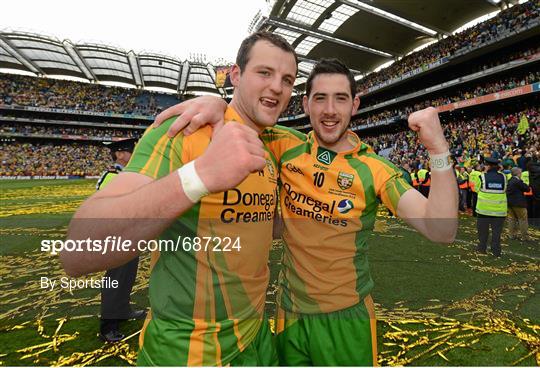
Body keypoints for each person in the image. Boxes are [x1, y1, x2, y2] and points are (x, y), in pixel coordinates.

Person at [155, 58, 458, 366]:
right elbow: (241, 118)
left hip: (345, 319)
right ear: (306, 105)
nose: (329, 110)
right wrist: (217, 103)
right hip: (289, 312)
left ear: (354, 105)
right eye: (320, 99)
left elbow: (441, 230)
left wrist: (437, 149)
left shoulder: (375, 170)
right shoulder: (284, 145)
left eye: (340, 99)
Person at [61, 31, 298, 366]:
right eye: (264, 73)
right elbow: (79, 251)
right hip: (186, 351)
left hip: (258, 340)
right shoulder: (182, 131)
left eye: (287, 79)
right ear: (235, 75)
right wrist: (200, 175)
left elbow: (258, 224)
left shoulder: (276, 144)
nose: (277, 86)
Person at [97, 138, 147, 342]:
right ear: (119, 154)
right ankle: (108, 326)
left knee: (127, 276)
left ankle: (123, 311)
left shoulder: (129, 175)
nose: (133, 154)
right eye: (129, 151)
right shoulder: (112, 176)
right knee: (115, 279)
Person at [476, 157, 507, 257]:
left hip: (483, 211)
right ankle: (496, 251)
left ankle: (482, 249)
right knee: (496, 233)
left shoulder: (482, 177)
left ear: (487, 166)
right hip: (499, 211)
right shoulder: (504, 177)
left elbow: (476, 189)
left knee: (483, 232)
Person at [506, 167, 531, 242]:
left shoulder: (510, 180)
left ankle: (512, 234)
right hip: (519, 203)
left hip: (510, 203)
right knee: (522, 219)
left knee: (511, 219)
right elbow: (527, 188)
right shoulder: (518, 181)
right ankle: (525, 236)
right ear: (518, 173)